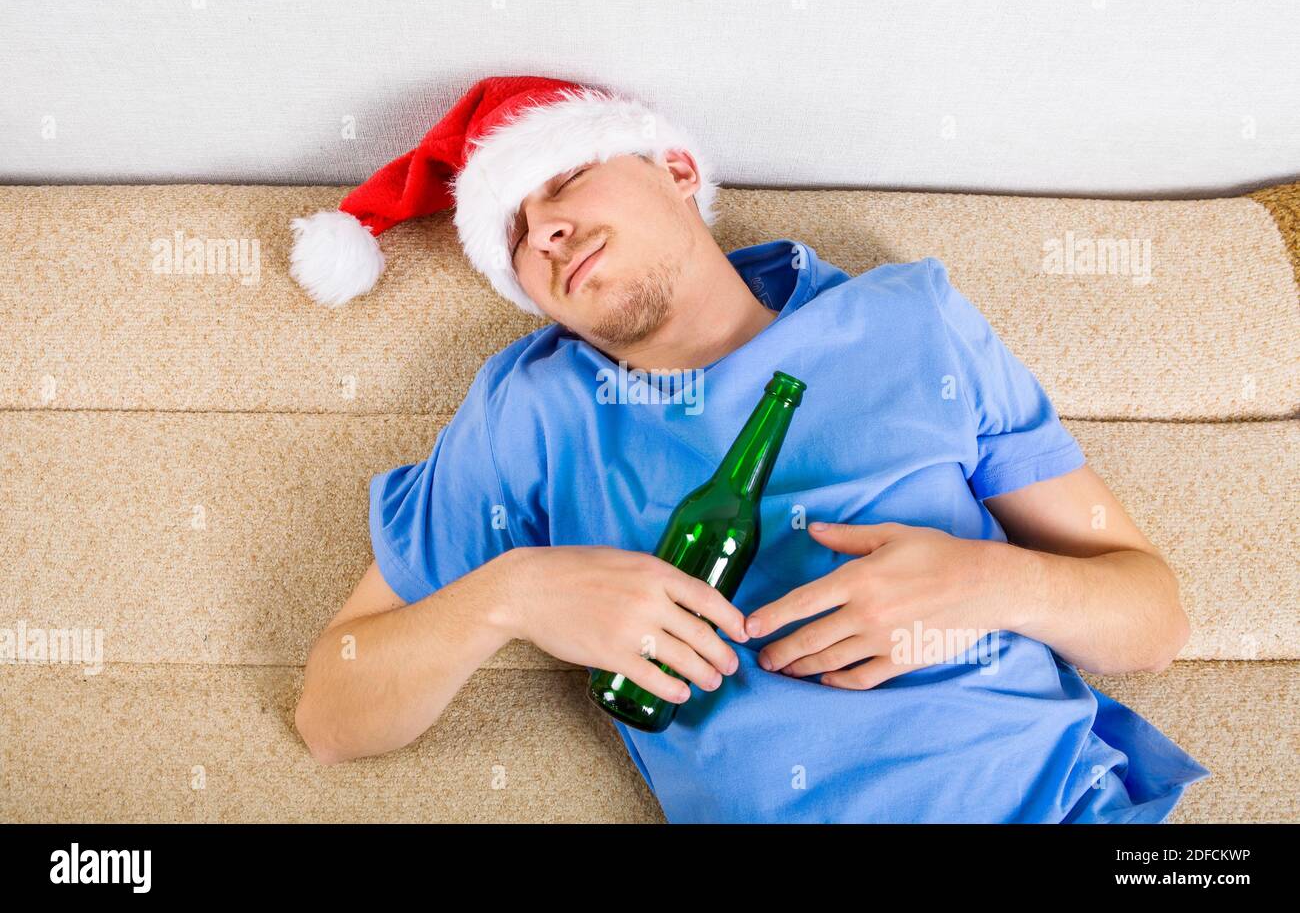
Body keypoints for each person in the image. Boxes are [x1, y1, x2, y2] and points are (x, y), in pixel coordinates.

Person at [291, 76, 1210, 822]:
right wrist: (511, 596)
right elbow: (334, 716)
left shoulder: (908, 321)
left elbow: (1153, 622)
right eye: (515, 236)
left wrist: (990, 582)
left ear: (678, 169)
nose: (546, 232)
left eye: (565, 181)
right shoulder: (531, 408)